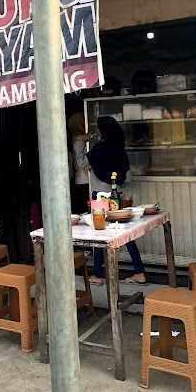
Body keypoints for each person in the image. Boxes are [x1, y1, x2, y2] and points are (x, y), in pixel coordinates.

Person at [87, 116, 146, 285]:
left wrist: (90, 143)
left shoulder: (97, 151)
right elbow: (128, 178)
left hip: (99, 198)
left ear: (102, 131)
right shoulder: (120, 150)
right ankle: (139, 271)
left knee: (99, 235)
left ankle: (97, 274)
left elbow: (84, 164)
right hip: (117, 197)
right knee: (126, 235)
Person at [68, 112, 89, 215]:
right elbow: (80, 163)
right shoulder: (78, 141)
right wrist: (90, 154)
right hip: (83, 180)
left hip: (80, 179)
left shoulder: (75, 139)